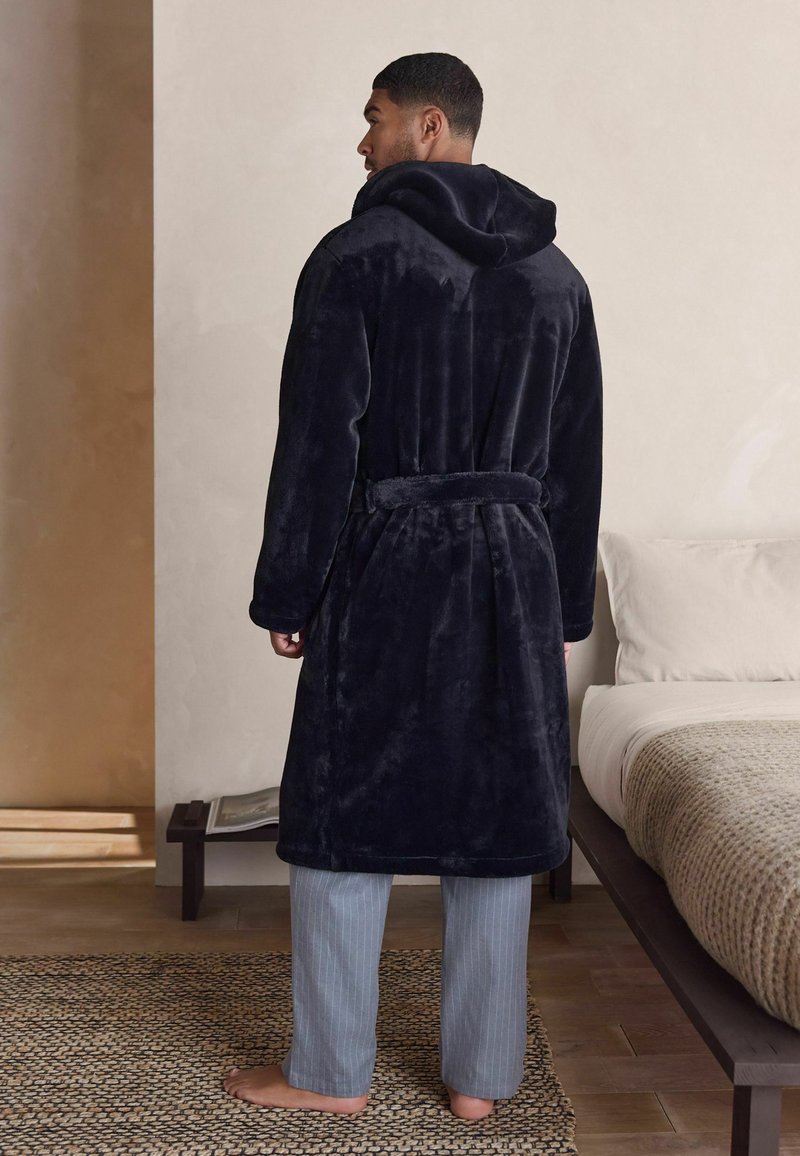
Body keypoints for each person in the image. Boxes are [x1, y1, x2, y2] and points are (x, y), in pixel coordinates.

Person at [224, 51, 603, 1120]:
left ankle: (328, 1071)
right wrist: (564, 608)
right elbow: (575, 462)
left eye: (375, 116)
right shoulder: (557, 277)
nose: (362, 140)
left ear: (429, 126)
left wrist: (290, 590)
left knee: (341, 809)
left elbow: (318, 443)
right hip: (515, 569)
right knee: (495, 816)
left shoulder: (357, 256)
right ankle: (480, 1080)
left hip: (389, 561)